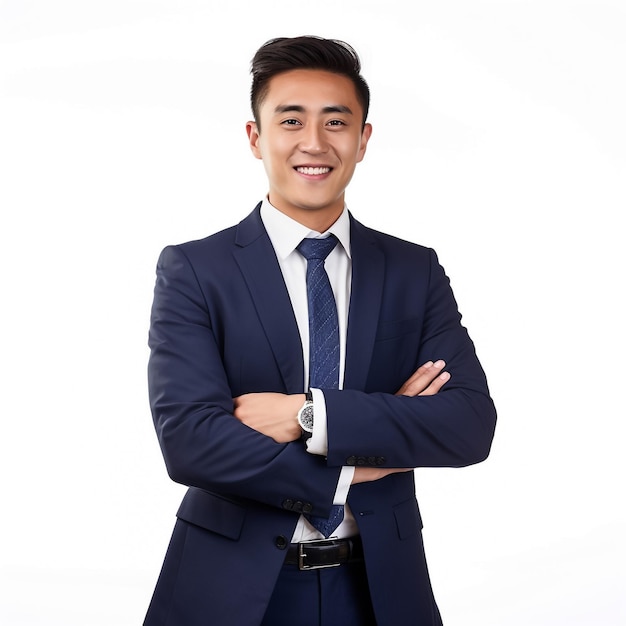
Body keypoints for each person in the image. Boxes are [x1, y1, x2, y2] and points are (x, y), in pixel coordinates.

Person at [144, 35, 497, 626]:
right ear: (256, 137)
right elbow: (190, 440)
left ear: (363, 140)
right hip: (229, 591)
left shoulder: (413, 271)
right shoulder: (195, 270)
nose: (314, 143)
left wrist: (309, 416)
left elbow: (467, 425)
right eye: (290, 120)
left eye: (336, 122)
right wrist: (356, 462)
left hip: (381, 588)